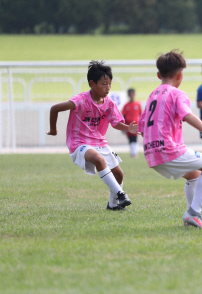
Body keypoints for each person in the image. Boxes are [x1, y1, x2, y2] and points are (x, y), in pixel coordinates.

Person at [138, 50, 202, 229]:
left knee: (194, 173)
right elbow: (188, 116)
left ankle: (193, 215)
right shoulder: (177, 94)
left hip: (150, 153)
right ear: (180, 75)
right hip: (169, 149)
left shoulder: (152, 95)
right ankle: (193, 214)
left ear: (158, 75)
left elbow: (141, 126)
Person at [47, 60, 137, 211]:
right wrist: (53, 130)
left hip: (99, 142)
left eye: (110, 84)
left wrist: (129, 128)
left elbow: (115, 122)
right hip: (79, 143)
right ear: (92, 84)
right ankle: (120, 194)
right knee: (98, 159)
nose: (108, 88)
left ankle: (113, 205)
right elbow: (54, 108)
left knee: (119, 174)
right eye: (104, 84)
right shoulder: (81, 100)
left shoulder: (109, 103)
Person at [121, 88, 142, 158]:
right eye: (130, 94)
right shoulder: (126, 105)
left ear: (134, 94)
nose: (131, 96)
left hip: (136, 125)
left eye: (132, 94)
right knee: (130, 139)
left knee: (134, 138)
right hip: (128, 125)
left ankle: (134, 153)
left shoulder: (137, 104)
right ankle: (133, 153)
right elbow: (123, 116)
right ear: (128, 95)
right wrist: (123, 126)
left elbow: (141, 114)